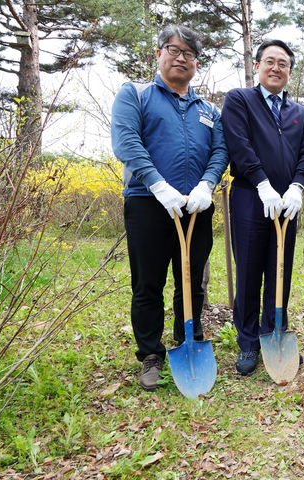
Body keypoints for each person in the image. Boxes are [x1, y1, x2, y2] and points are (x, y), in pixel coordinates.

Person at [111, 25, 228, 391]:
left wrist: (208, 184)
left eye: (189, 54)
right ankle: (150, 353)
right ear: (159, 54)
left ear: (197, 64)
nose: (181, 58)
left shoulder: (208, 109)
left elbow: (220, 150)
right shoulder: (137, 94)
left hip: (197, 206)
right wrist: (157, 184)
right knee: (148, 283)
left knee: (192, 282)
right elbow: (126, 140)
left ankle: (188, 339)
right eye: (174, 50)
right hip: (148, 204)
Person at [221, 39, 304, 375]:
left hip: (286, 203)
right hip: (250, 197)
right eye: (270, 61)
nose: (276, 68)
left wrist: (296, 186)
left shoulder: (299, 114)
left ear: (290, 71)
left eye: (283, 64)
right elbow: (239, 144)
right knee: (248, 270)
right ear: (258, 65)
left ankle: (273, 332)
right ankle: (248, 342)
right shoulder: (239, 100)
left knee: (280, 269)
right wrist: (262, 183)